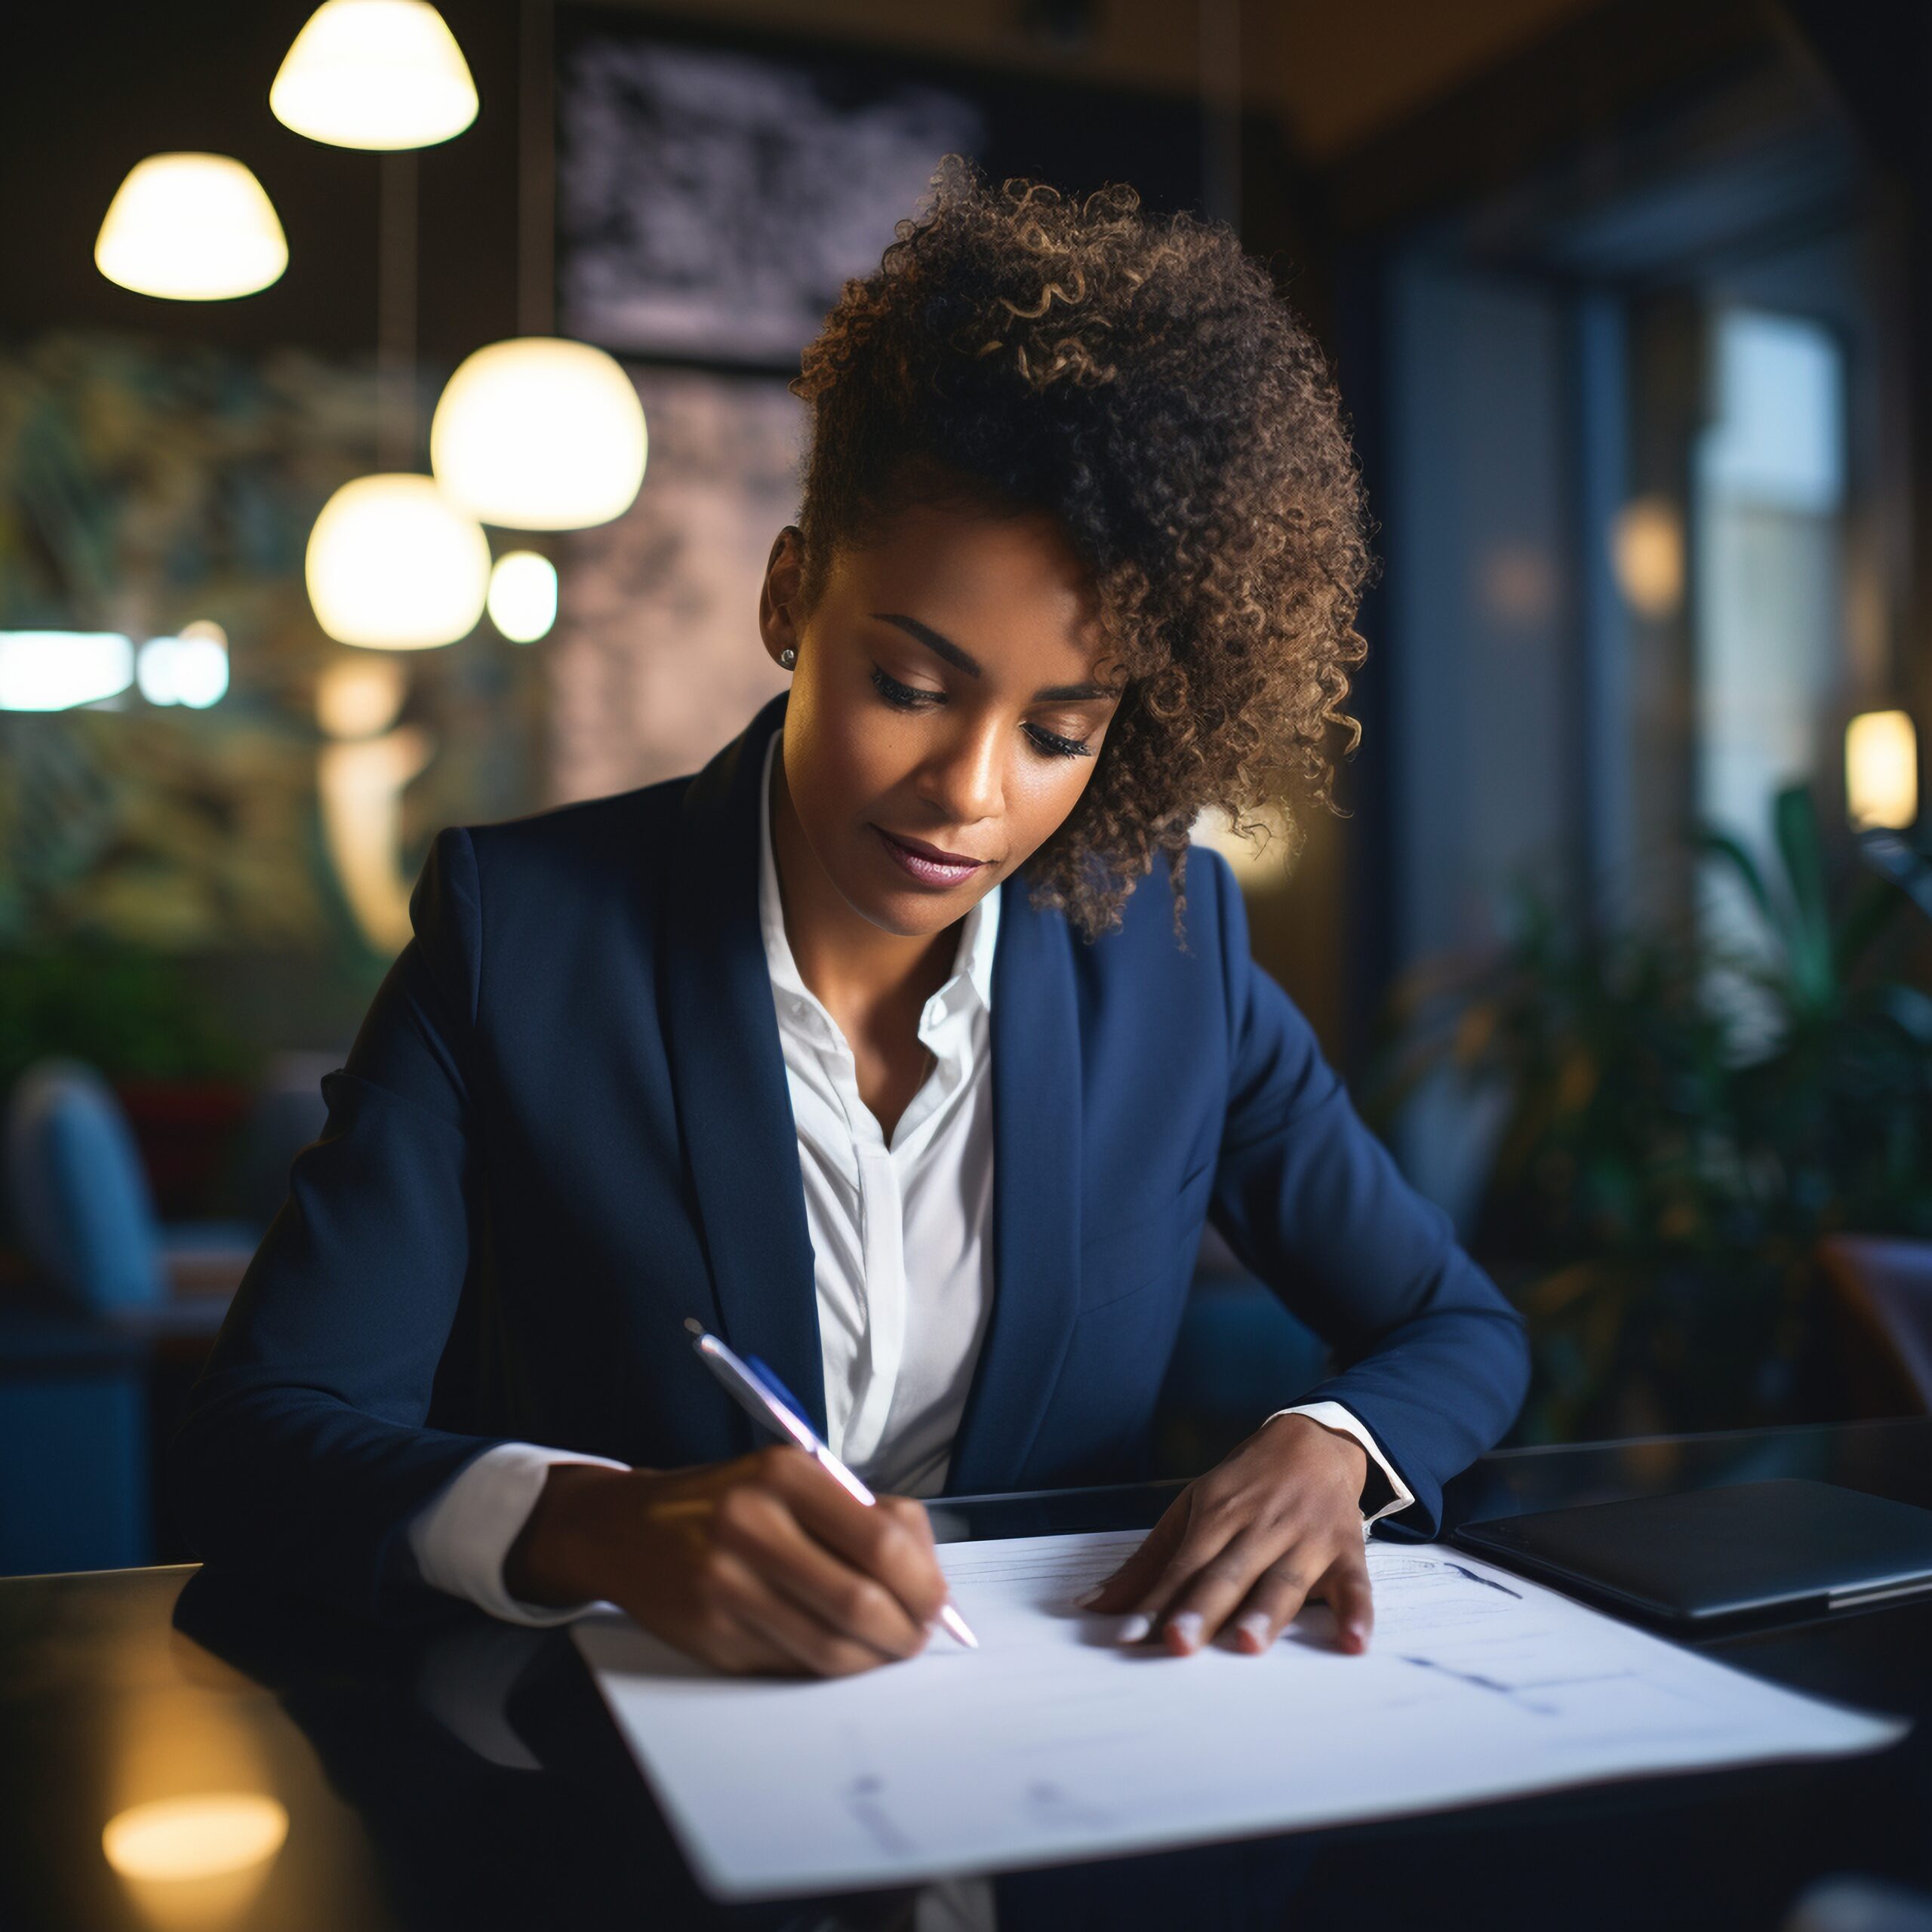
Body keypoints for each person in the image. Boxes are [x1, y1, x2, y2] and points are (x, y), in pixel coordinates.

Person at [171, 158, 1530, 1678]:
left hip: (1064, 1769)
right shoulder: (520, 935)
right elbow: (262, 1438)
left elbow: (1456, 1326)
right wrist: (597, 1523)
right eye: (909, 684)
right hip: (621, 1797)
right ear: (788, 599)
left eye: (1058, 730)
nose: (967, 790)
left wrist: (1327, 1441)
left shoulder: (1173, 950)